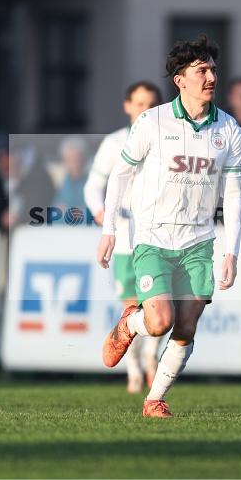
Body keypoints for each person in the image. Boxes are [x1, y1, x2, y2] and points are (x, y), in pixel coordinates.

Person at [96, 35, 241, 418]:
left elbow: (233, 192)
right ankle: (130, 324)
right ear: (180, 80)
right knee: (159, 321)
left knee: (187, 327)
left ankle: (154, 399)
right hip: (154, 238)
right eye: (201, 71)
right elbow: (120, 174)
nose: (211, 77)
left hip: (198, 242)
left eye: (213, 69)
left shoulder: (228, 130)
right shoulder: (152, 121)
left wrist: (232, 252)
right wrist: (108, 229)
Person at [84, 81, 164, 393]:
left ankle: (151, 357)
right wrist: (100, 211)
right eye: (140, 103)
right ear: (128, 106)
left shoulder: (167, 141)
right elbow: (93, 185)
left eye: (152, 104)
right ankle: (133, 370)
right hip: (125, 240)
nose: (146, 109)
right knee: (130, 307)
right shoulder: (114, 142)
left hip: (158, 236)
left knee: (158, 303)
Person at [52, 136, 91, 221]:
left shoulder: (93, 182)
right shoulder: (61, 183)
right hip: (63, 231)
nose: (74, 164)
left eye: (77, 159)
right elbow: (53, 214)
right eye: (70, 159)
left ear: (85, 160)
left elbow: (94, 213)